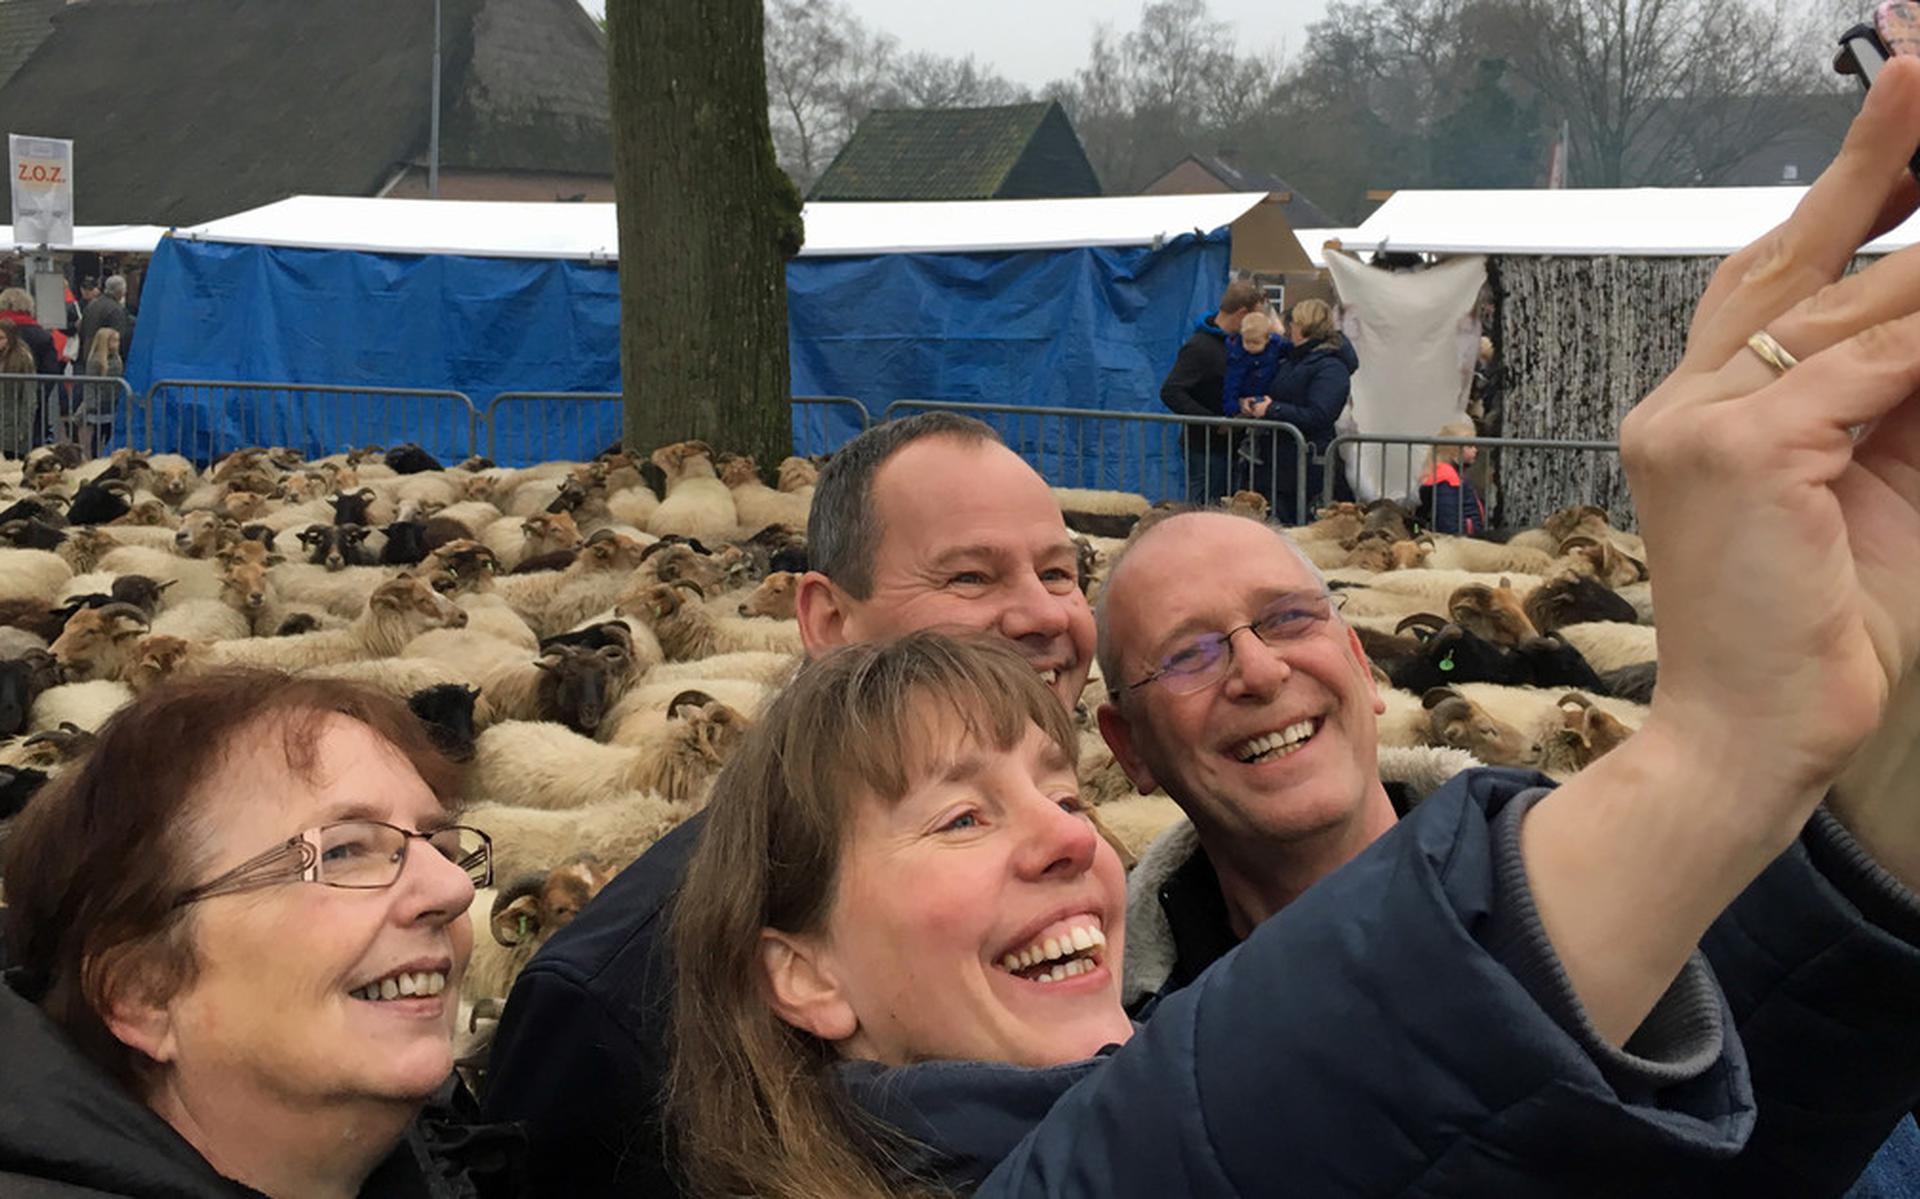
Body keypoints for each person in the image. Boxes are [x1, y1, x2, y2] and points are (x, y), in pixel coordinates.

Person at [664, 60, 1920, 1197]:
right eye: (959, 814)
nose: (1061, 840)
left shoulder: (1163, 1036)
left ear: (1367, 661)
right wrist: (1719, 751)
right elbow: (1243, 1127)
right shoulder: (1128, 1104)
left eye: (1058, 795)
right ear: (805, 972)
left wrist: (1867, 781)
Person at [482, 412, 1098, 1196]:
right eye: (970, 576)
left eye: (1058, 573)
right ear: (829, 621)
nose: (1044, 614)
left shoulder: (1096, 867)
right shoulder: (617, 1000)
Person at [0, 670, 517, 1197]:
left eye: (443, 848)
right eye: (343, 851)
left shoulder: (451, 1154)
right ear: (143, 990)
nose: (454, 887)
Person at [1245, 297, 1355, 522]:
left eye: (1293, 323)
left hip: (1308, 464)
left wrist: (1272, 409)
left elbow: (1320, 414)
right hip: (1280, 462)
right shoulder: (1295, 359)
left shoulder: (1331, 367)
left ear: (1304, 326)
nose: (1288, 328)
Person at [1159, 279, 1263, 502]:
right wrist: (1214, 421)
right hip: (1206, 448)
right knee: (1204, 508)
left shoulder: (1240, 345)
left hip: (1230, 447)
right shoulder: (1200, 347)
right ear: (1243, 314)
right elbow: (1171, 391)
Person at [1417, 418, 1487, 533]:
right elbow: (1448, 521)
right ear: (1455, 451)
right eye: (1470, 446)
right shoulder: (1448, 479)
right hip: (1461, 542)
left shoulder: (1444, 474)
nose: (1476, 450)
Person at [75, 326, 125, 456]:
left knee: (109, 433)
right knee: (98, 434)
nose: (117, 344)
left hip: (112, 402)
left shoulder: (117, 359)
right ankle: (95, 456)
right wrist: (91, 403)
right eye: (114, 341)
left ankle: (106, 455)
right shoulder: (96, 361)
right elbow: (90, 384)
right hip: (98, 404)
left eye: (118, 341)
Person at [0, 319, 39, 457]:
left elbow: (29, 397)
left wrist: (24, 429)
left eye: (2, 338)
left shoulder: (22, 359)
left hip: (13, 424)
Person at [80, 274, 134, 370]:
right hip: (106, 360)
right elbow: (119, 337)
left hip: (88, 355)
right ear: (120, 291)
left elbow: (82, 330)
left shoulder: (91, 305)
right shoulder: (116, 310)